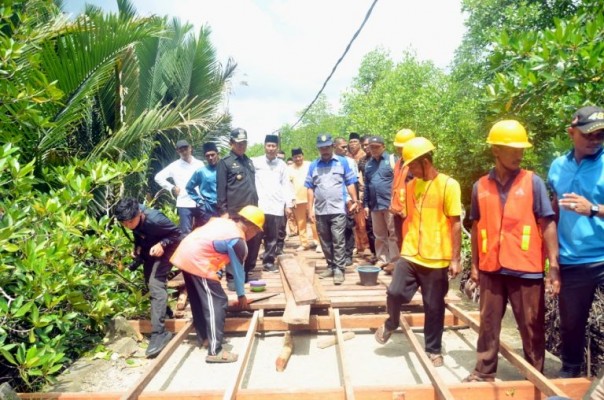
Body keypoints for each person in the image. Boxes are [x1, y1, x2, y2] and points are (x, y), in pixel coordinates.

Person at [462, 120, 560, 382]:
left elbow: (547, 223)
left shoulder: (532, 182)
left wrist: (554, 267)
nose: (519, 153)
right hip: (491, 267)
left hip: (525, 267)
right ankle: (484, 371)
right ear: (496, 150)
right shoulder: (480, 186)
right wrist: (474, 265)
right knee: (488, 321)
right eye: (512, 148)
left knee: (531, 325)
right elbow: (477, 226)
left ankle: (534, 375)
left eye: (521, 148)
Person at [375, 137, 462, 368]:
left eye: (412, 165)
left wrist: (455, 258)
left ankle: (433, 349)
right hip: (411, 253)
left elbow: (455, 223)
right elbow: (407, 217)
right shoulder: (412, 186)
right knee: (394, 292)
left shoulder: (448, 185)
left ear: (426, 161)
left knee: (434, 306)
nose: (410, 171)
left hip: (437, 257)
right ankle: (391, 322)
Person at [547, 105, 604, 378]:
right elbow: (553, 212)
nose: (595, 141)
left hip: (603, 256)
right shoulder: (558, 166)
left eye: (600, 136)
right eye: (589, 135)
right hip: (572, 259)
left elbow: (590, 208)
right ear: (572, 132)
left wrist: (593, 208)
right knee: (571, 323)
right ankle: (571, 372)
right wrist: (553, 261)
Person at [170, 206, 264, 363]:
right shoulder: (238, 240)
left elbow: (213, 248)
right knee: (217, 301)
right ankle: (215, 351)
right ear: (251, 226)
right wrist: (241, 295)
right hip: (197, 260)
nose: (255, 235)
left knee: (200, 301)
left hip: (186, 253)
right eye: (257, 231)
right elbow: (238, 270)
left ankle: (206, 338)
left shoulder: (225, 224)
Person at [114, 198, 182, 358]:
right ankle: (165, 314)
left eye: (130, 222)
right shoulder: (131, 219)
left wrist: (163, 244)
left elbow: (178, 234)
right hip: (151, 249)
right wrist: (137, 248)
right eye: (124, 223)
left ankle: (160, 333)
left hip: (169, 248)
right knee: (149, 282)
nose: (128, 226)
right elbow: (139, 233)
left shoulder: (156, 219)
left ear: (139, 213)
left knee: (155, 283)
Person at [306, 133, 359, 285]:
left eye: (327, 147)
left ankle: (339, 269)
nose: (325, 150)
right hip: (321, 210)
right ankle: (330, 266)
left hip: (338, 209)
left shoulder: (342, 162)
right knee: (325, 240)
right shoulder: (313, 165)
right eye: (322, 148)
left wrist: (355, 200)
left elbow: (350, 181)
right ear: (319, 149)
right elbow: (310, 188)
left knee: (338, 239)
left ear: (332, 147)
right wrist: (310, 210)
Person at [217, 128, 261, 283]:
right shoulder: (225, 163)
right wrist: (223, 212)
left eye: (244, 143)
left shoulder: (248, 161)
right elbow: (221, 189)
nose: (241, 146)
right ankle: (232, 277)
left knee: (252, 244)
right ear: (231, 143)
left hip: (252, 213)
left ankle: (246, 273)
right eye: (238, 143)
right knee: (235, 246)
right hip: (236, 213)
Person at [253, 135, 294, 272]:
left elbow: (286, 185)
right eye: (268, 146)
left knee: (272, 237)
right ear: (264, 146)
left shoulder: (282, 165)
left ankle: (269, 262)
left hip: (276, 206)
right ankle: (250, 264)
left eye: (273, 146)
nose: (271, 149)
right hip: (259, 206)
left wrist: (288, 205)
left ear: (277, 148)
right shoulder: (256, 162)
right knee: (256, 237)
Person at [154, 139, 204, 234]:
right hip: (184, 202)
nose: (184, 152)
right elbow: (158, 177)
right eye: (181, 150)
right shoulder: (174, 166)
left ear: (190, 148)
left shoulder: (199, 164)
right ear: (178, 151)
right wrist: (171, 187)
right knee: (185, 233)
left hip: (200, 201)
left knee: (204, 229)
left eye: (186, 148)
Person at [364, 135, 399, 270]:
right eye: (371, 147)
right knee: (379, 235)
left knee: (393, 233)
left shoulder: (392, 160)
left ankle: (395, 261)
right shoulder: (369, 164)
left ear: (383, 147)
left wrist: (395, 201)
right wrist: (366, 205)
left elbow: (398, 182)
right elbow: (367, 185)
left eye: (376, 147)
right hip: (375, 205)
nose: (374, 150)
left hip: (389, 204)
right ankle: (382, 259)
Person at [334, 137, 360, 266]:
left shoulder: (350, 162)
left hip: (348, 200)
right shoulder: (329, 161)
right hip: (334, 200)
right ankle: (337, 256)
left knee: (348, 228)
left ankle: (348, 255)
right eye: (342, 147)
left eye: (346, 147)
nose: (346, 149)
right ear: (334, 146)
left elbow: (353, 182)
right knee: (335, 229)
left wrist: (354, 201)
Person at [288, 147, 320, 251]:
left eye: (299, 156)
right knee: (300, 222)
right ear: (292, 158)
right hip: (297, 199)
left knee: (314, 220)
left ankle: (318, 242)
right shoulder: (289, 169)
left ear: (303, 156)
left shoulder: (310, 165)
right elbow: (288, 185)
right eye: (295, 157)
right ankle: (304, 243)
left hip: (311, 198)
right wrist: (291, 199)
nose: (298, 159)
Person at [390, 129, 416, 253]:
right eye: (398, 148)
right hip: (397, 211)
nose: (399, 150)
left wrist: (408, 208)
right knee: (400, 240)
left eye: (402, 147)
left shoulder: (415, 164)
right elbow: (396, 185)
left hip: (409, 211)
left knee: (409, 240)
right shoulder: (399, 162)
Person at [186, 142, 220, 227]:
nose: (210, 158)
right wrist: (200, 201)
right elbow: (189, 188)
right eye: (207, 156)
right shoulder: (201, 172)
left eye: (212, 155)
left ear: (217, 154)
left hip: (225, 208)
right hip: (208, 209)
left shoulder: (225, 169)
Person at [348, 132, 371, 256]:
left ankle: (366, 246)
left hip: (365, 190)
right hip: (352, 190)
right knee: (355, 221)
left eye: (355, 142)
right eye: (350, 142)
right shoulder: (348, 157)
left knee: (363, 221)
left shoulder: (364, 156)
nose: (352, 144)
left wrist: (362, 191)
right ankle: (359, 246)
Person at [359, 135, 376, 257]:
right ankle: (375, 253)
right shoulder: (362, 161)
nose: (366, 147)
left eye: (367, 144)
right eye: (364, 145)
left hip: (383, 198)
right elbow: (360, 178)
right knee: (370, 226)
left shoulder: (383, 159)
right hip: (368, 196)